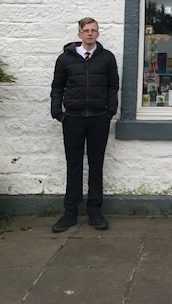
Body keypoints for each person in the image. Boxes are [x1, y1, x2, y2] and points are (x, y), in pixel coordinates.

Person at [50, 17, 119, 233]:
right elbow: (57, 87)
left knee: (96, 165)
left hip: (99, 118)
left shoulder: (107, 58)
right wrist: (57, 112)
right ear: (79, 34)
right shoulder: (65, 59)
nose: (90, 33)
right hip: (73, 118)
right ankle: (70, 213)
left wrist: (110, 111)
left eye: (93, 30)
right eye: (86, 30)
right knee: (74, 165)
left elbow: (113, 86)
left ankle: (95, 211)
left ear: (98, 33)